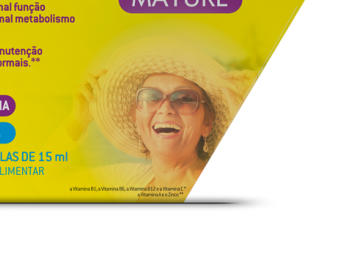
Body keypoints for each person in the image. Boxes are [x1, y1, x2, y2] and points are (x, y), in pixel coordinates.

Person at [63, 38, 255, 202]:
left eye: (184, 98)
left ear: (207, 122)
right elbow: (49, 179)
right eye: (151, 97)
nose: (165, 108)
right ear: (135, 119)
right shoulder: (127, 179)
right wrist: (76, 122)